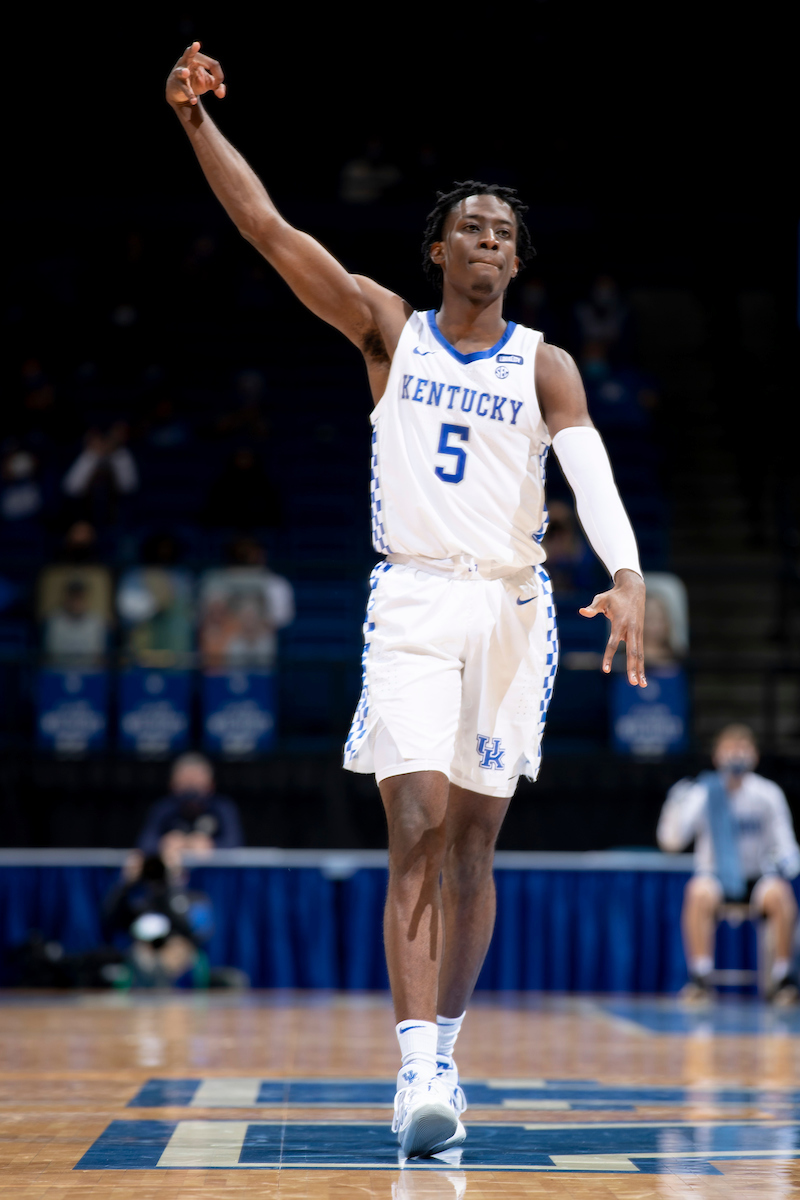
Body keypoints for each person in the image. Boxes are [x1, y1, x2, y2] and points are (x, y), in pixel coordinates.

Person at [166, 43, 646, 1159]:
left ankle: (448, 1055)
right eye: (470, 227)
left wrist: (622, 575)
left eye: (502, 233)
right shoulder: (388, 327)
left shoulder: (544, 365)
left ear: (516, 261)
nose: (487, 240)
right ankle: (417, 1071)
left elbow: (589, 473)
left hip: (514, 611)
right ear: (437, 248)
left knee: (475, 847)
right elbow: (269, 232)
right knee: (417, 823)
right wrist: (194, 124)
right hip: (415, 603)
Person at [657, 724, 800, 1004]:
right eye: (729, 749)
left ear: (754, 756)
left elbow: (786, 845)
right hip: (716, 878)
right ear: (716, 756)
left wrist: (787, 862)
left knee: (781, 895)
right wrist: (674, 805)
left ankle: (783, 979)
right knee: (697, 892)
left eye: (742, 749)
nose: (736, 755)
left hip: (756, 877)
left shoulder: (767, 794)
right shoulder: (702, 793)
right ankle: (700, 978)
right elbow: (671, 843)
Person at [136, 752, 243, 871]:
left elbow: (235, 843)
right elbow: (145, 842)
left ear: (211, 785)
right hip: (169, 875)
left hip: (215, 879)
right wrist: (164, 843)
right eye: (185, 784)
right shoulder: (163, 808)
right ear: (173, 785)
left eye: (196, 784)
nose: (191, 791)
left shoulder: (223, 807)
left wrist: (212, 846)